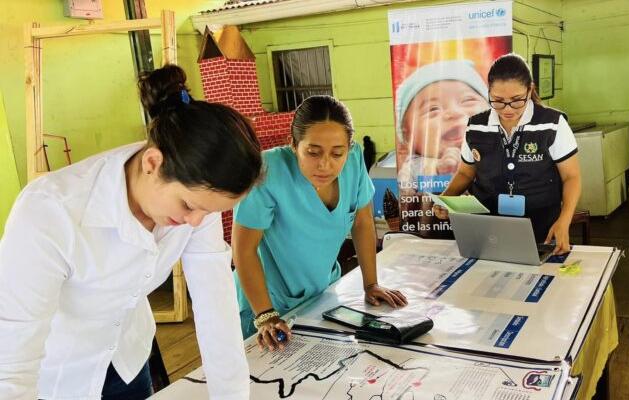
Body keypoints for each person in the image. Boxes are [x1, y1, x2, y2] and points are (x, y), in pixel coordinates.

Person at [0, 65, 263, 399]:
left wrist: (232, 396)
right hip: (57, 376)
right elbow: (12, 361)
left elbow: (216, 302)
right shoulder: (50, 212)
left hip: (127, 360)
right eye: (188, 206)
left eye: (208, 212)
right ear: (152, 163)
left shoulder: (196, 199)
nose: (197, 222)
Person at [232, 95, 408, 352]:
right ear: (293, 145)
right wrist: (265, 315)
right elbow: (244, 250)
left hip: (321, 293)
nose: (325, 164)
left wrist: (370, 284)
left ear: (349, 147)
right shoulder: (268, 170)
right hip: (266, 302)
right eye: (313, 152)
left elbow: (361, 222)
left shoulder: (355, 160)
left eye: (338, 153)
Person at [434, 54, 581, 255]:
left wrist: (564, 221)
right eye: (498, 101)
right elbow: (466, 173)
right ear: (489, 93)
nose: (507, 109)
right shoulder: (476, 126)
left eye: (516, 100)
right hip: (488, 227)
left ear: (530, 90)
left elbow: (571, 177)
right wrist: (447, 198)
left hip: (540, 226)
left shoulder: (552, 124)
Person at [395, 59, 490, 191]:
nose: (454, 112)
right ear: (407, 135)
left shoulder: (501, 151)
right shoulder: (413, 167)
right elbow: (405, 189)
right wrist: (436, 168)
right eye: (433, 109)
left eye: (468, 100)